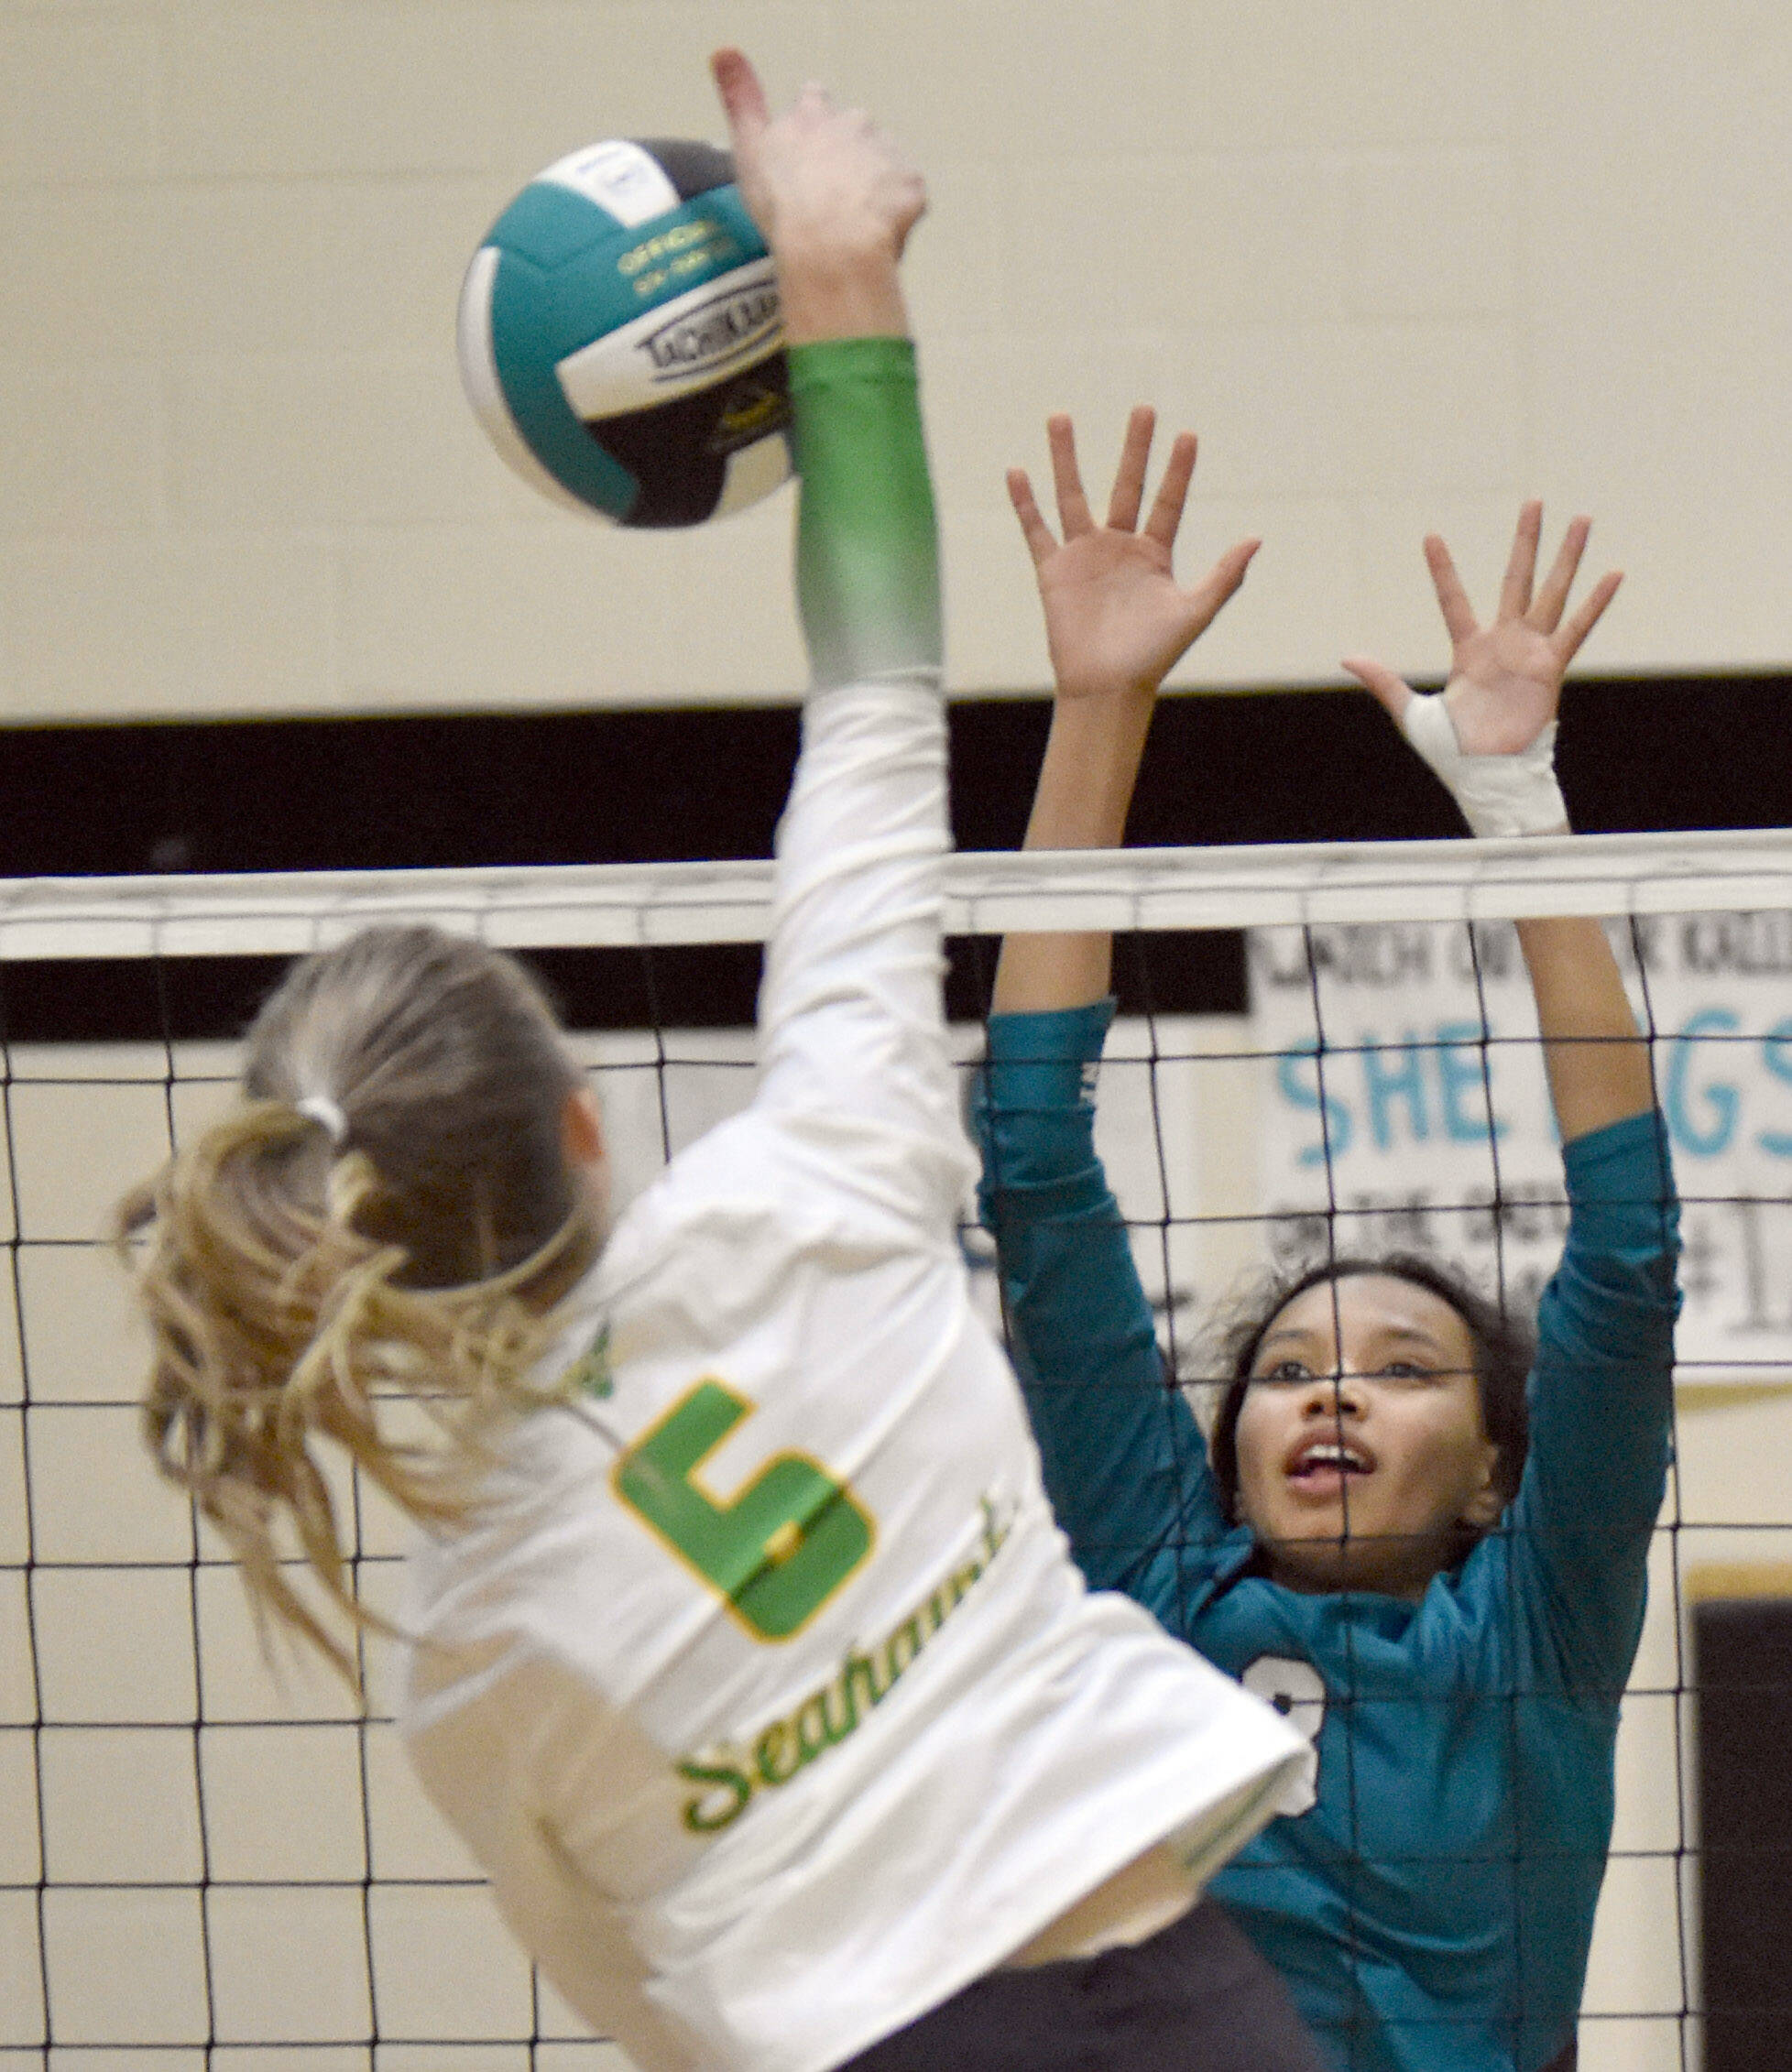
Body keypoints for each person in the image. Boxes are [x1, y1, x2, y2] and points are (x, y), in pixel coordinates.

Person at [119, 55, 1325, 2072]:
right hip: (1176, 2000)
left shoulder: (464, 1647)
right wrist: (842, 284)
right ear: (589, 1129)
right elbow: (876, 706)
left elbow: (644, 1998)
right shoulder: (814, 1187)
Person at [975, 410, 1680, 2072]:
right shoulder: (1160, 1580)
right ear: (1227, 1450)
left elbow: (1628, 1251)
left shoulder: (1534, 1629)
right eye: (1287, 1370)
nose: (1328, 1396)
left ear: (1501, 1472)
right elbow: (1033, 1158)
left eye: (1403, 1368)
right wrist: (1098, 711)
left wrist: (1518, 805)